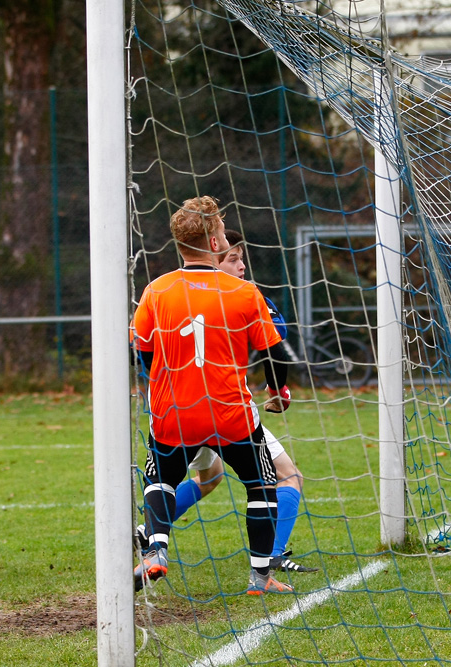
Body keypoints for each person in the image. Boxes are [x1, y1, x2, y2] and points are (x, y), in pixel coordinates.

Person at [131, 195, 295, 595]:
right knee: (261, 483)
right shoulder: (243, 292)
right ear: (217, 242)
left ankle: (155, 551)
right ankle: (260, 578)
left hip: (173, 411)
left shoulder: (155, 291)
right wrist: (277, 391)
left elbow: (142, 353)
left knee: (161, 479)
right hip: (229, 411)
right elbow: (274, 352)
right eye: (222, 230)